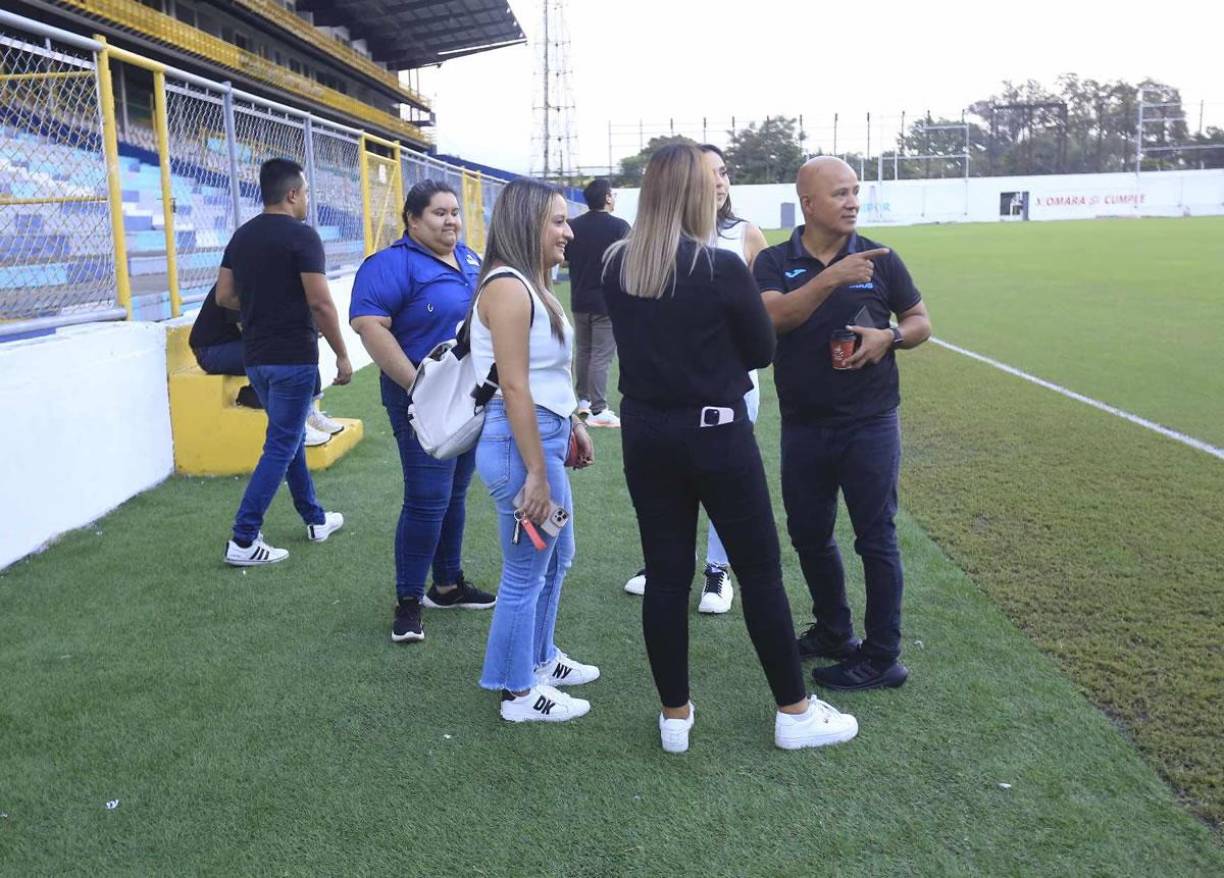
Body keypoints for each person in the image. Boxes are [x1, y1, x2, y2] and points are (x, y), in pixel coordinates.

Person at [602, 143, 858, 754]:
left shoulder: (617, 263)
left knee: (666, 576)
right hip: (715, 433)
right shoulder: (716, 266)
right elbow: (761, 349)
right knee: (760, 572)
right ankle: (794, 711)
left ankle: (675, 716)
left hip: (646, 434)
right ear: (693, 193)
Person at [753, 156, 932, 691]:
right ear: (808, 204)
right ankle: (834, 632)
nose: (853, 201)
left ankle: (882, 656)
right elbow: (772, 319)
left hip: (869, 423)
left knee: (875, 538)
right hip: (804, 425)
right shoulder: (772, 262)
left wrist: (890, 338)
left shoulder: (881, 258)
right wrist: (832, 279)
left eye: (856, 192)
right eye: (840, 194)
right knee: (809, 535)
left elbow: (920, 321)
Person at [621, 144, 769, 615]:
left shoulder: (744, 237)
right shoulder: (641, 248)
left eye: (724, 172)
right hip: (665, 396)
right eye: (710, 174)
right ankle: (664, 563)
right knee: (671, 496)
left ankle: (717, 570)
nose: (719, 182)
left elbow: (761, 325)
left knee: (727, 488)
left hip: (729, 388)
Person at [472, 178, 598, 723]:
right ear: (527, 223)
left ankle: (540, 659)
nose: (568, 231)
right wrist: (536, 474)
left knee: (558, 554)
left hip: (543, 436)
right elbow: (515, 387)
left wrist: (572, 421)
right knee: (524, 572)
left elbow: (547, 376)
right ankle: (518, 692)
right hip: (518, 445)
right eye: (557, 220)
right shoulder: (506, 287)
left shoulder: (530, 283)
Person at [350, 180, 497, 643]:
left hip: (469, 394)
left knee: (454, 492)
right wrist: (417, 386)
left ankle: (448, 585)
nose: (451, 220)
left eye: (455, 212)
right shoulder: (390, 264)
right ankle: (409, 600)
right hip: (420, 396)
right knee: (427, 497)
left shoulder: (471, 259)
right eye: (439, 213)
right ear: (413, 220)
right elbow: (369, 325)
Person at [215, 158, 351, 566]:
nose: (307, 199)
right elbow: (320, 302)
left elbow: (224, 296)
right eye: (306, 191)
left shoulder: (242, 236)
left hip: (256, 358)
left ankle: (315, 518)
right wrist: (343, 355)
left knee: (287, 440)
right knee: (281, 444)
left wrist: (262, 306)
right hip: (293, 357)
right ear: (292, 194)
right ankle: (243, 539)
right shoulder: (302, 236)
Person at [190, 284, 341, 445]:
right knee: (282, 352)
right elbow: (250, 333)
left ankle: (310, 412)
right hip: (212, 351)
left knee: (301, 341)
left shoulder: (272, 277)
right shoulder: (239, 281)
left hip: (239, 344)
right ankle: (296, 427)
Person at [564, 178, 629, 428]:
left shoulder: (573, 226)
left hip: (579, 298)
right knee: (601, 355)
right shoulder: (620, 226)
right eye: (613, 194)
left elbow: (565, 258)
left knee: (584, 351)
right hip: (607, 301)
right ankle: (599, 409)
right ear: (608, 198)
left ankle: (583, 401)